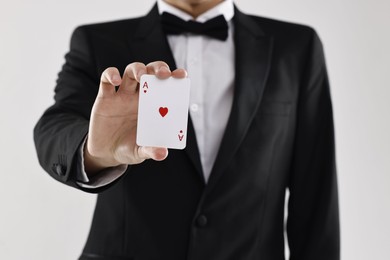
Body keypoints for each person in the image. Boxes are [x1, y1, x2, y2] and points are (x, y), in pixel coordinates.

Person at [34, 0, 340, 259]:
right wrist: (93, 152)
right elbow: (55, 128)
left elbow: (316, 193)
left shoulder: (297, 47)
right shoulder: (97, 41)